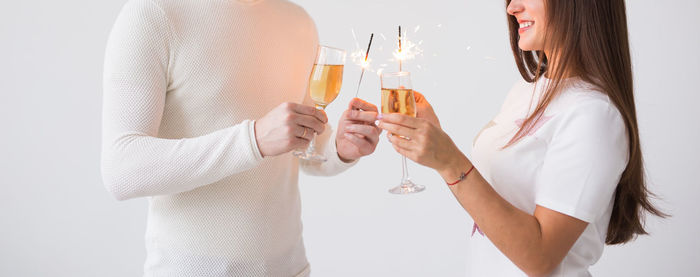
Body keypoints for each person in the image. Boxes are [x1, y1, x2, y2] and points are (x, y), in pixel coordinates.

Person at [378, 0, 665, 276]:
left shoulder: (594, 113)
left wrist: (450, 163)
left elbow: (540, 259)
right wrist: (438, 144)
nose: (512, 7)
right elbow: (492, 204)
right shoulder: (526, 91)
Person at [100, 0, 381, 276]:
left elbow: (306, 145)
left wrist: (340, 149)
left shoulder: (299, 21)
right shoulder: (153, 14)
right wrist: (253, 140)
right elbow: (121, 169)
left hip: (289, 268)